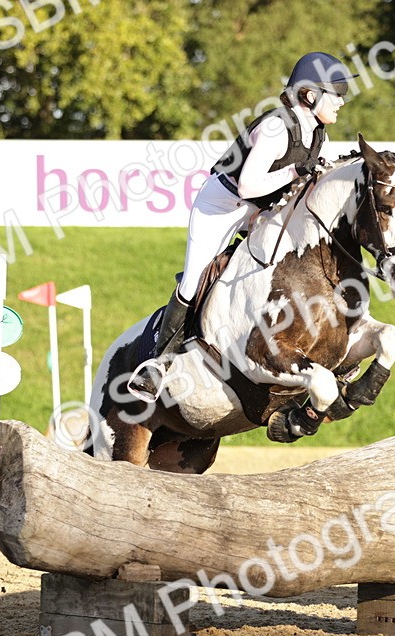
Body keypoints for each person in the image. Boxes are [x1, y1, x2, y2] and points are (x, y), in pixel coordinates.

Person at [128, 51, 355, 400]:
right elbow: (248, 186)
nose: (342, 101)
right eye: (336, 93)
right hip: (222, 206)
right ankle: (159, 364)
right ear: (310, 95)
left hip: (260, 211)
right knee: (194, 280)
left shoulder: (317, 134)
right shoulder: (276, 127)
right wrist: (296, 171)